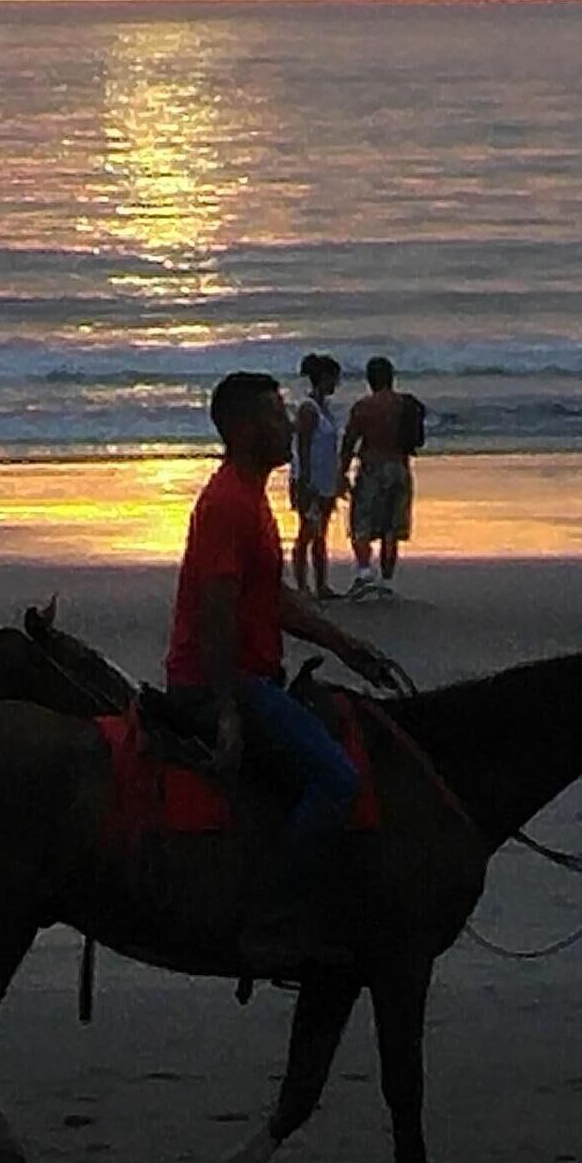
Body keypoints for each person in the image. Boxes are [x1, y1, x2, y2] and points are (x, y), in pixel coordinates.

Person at [164, 370, 401, 944]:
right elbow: (217, 614)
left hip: (249, 675)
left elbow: (271, 598)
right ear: (245, 430)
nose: (288, 425)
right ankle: (274, 907)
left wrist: (347, 646)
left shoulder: (251, 497)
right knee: (337, 779)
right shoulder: (226, 504)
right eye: (275, 416)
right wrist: (224, 710)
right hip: (220, 681)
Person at [342, 354, 421, 600]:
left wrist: (341, 471)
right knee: (391, 527)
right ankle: (387, 581)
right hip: (399, 465)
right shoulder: (405, 405)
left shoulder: (363, 407)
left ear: (369, 380)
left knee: (361, 523)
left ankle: (365, 572)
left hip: (373, 466)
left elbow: (349, 442)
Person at [289, 353, 345, 600]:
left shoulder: (326, 409)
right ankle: (302, 585)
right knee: (307, 532)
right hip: (309, 480)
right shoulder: (308, 410)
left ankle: (322, 585)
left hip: (325, 481)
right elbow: (302, 447)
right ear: (323, 378)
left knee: (321, 533)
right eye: (333, 378)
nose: (336, 384)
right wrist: (305, 481)